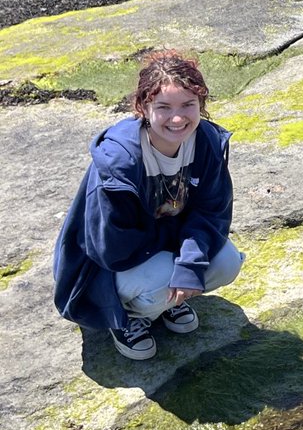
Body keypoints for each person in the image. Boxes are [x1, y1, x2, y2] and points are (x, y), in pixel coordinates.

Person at [53, 51, 244, 360]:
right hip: (105, 266)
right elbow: (111, 248)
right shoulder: (121, 161)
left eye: (188, 105)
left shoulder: (206, 142)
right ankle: (127, 316)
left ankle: (168, 300)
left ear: (201, 104)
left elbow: (210, 213)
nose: (177, 118)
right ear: (143, 107)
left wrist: (189, 263)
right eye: (164, 107)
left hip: (158, 246)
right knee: (163, 275)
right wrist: (183, 255)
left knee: (226, 262)